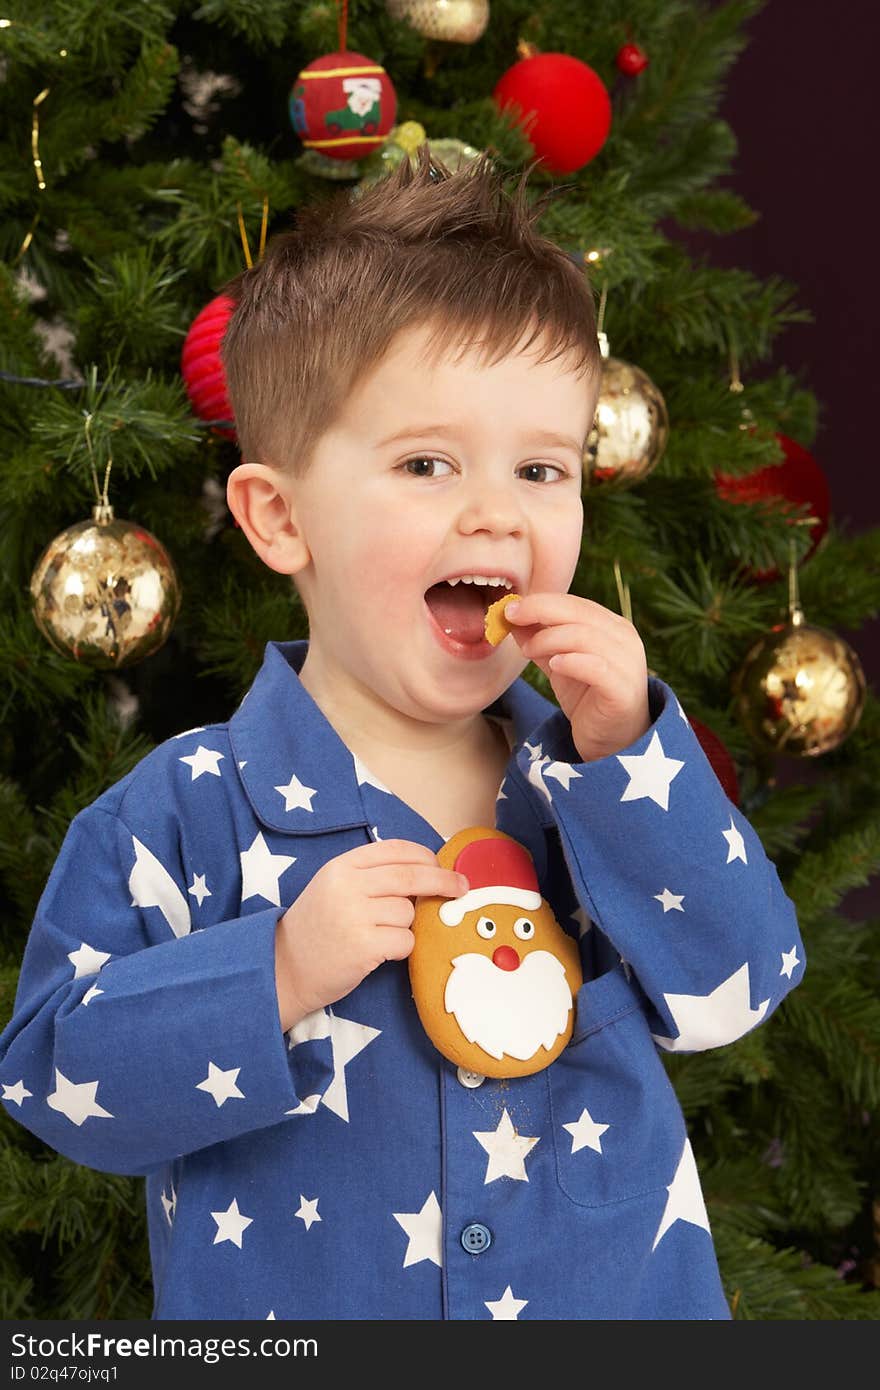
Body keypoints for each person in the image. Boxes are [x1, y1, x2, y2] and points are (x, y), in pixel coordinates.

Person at [0, 146, 805, 1321]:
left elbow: (740, 989)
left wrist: (633, 751)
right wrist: (271, 971)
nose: (498, 512)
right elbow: (52, 1082)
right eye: (427, 463)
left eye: (542, 467)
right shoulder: (177, 814)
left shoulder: (596, 780)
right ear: (279, 518)